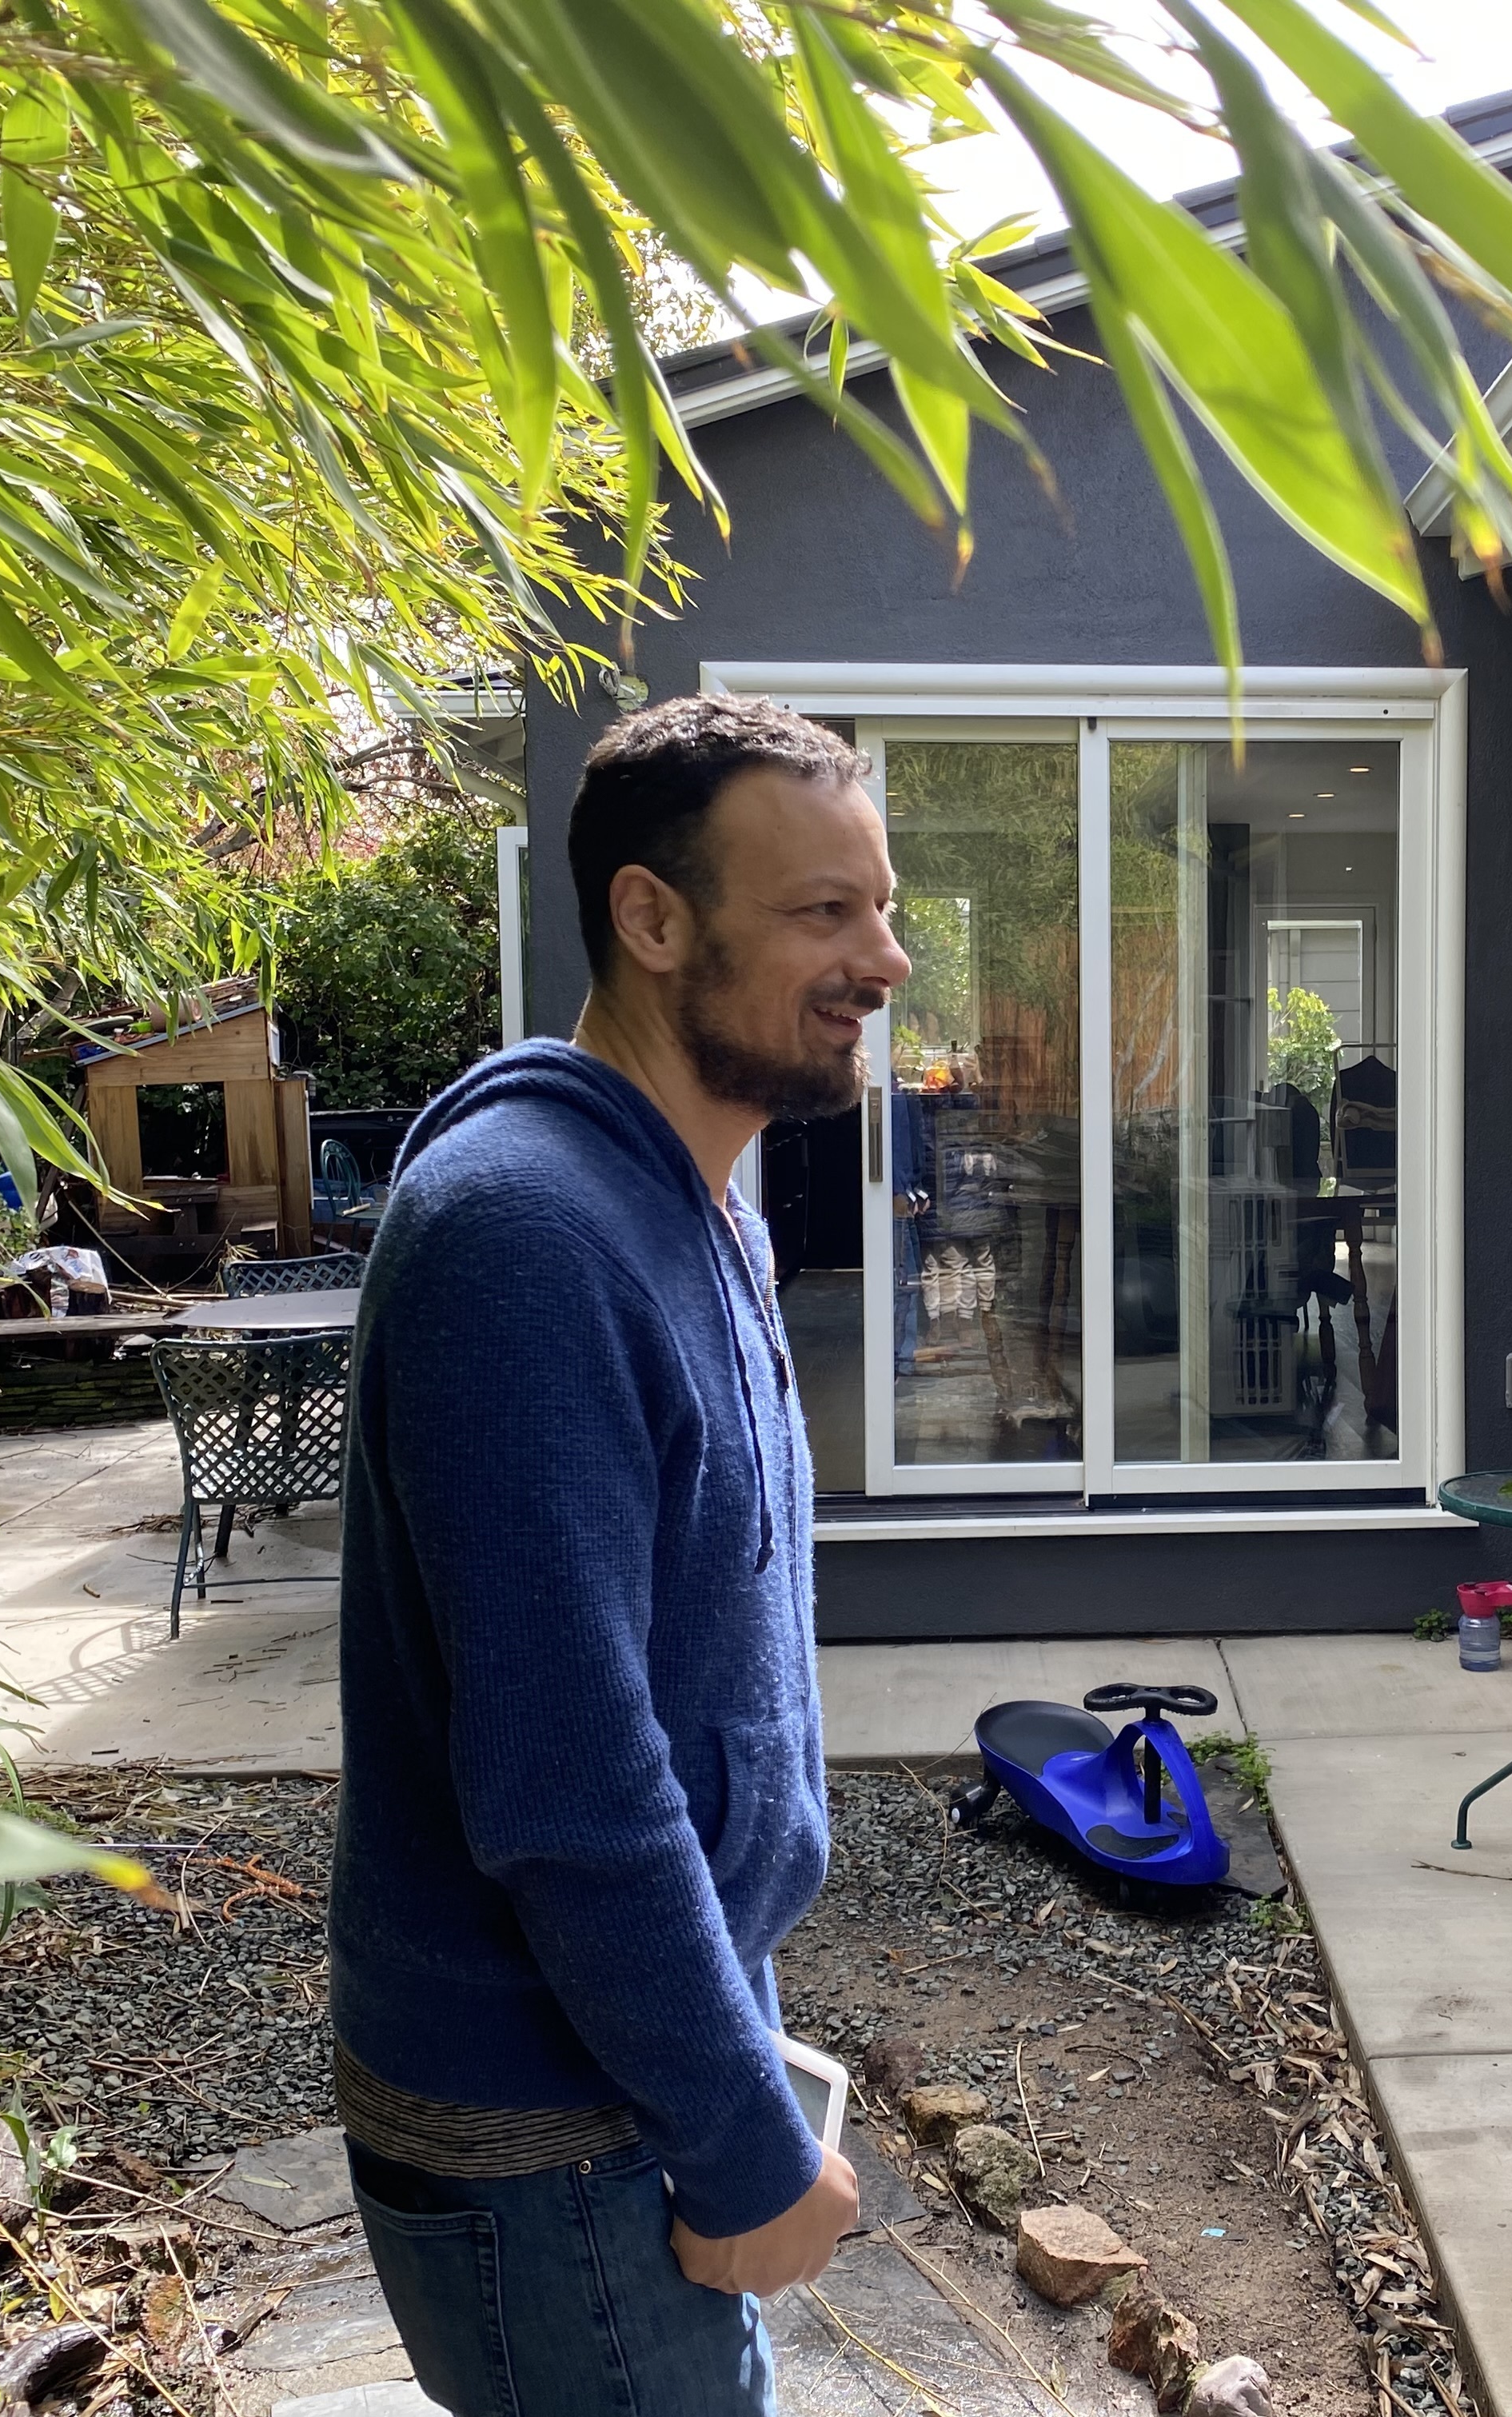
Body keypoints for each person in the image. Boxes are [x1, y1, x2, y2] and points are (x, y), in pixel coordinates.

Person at [326, 693, 910, 2415]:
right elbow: (568, 1785)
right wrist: (740, 2148)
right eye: (822, 911)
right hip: (550, 2138)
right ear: (652, 919)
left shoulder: (691, 1195)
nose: (879, 958)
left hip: (634, 2075)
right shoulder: (524, 1234)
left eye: (879, 906)